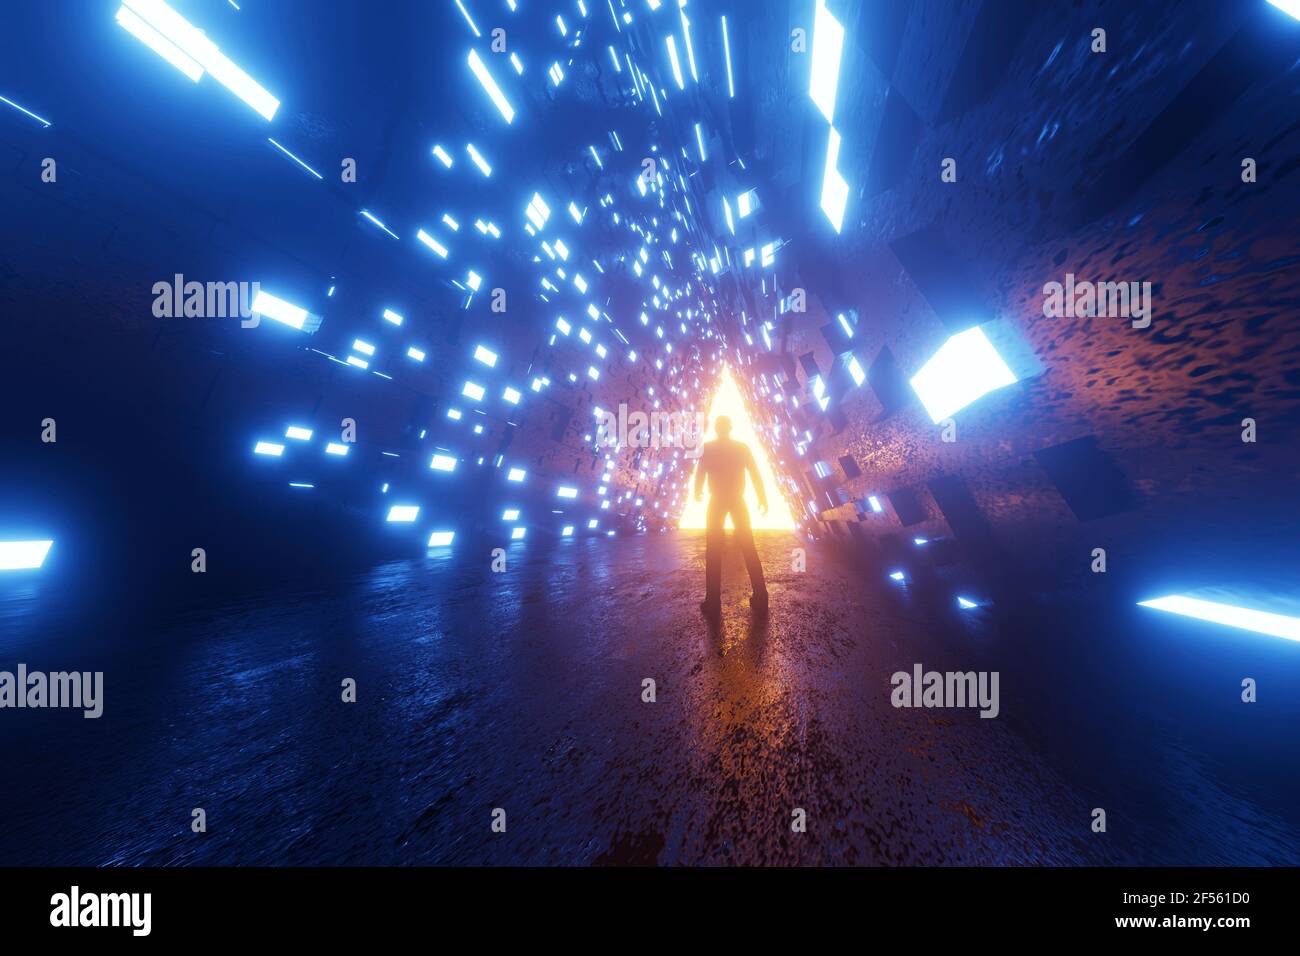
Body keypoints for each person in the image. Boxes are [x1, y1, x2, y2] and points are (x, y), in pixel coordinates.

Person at [693, 415, 769, 617]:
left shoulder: (707, 448)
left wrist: (697, 489)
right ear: (730, 427)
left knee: (713, 551)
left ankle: (713, 602)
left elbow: (700, 472)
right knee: (748, 547)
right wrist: (762, 497)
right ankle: (761, 597)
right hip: (737, 500)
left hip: (717, 500)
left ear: (717, 429)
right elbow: (754, 473)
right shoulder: (741, 447)